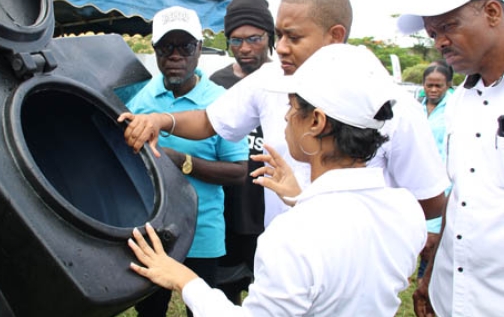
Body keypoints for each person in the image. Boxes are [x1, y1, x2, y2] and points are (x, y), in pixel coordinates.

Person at [127, 44, 427, 316]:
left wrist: (181, 277)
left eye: (292, 107)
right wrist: (301, 198)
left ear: (316, 122)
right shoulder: (406, 210)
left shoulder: (292, 234)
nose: (285, 117)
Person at [118, 0, 448, 224]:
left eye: (295, 36)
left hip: (349, 268)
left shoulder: (391, 106)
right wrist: (162, 120)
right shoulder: (270, 79)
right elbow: (210, 121)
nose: (283, 48)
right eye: (280, 35)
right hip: (281, 257)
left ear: (335, 36)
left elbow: (430, 201)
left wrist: (364, 232)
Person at [126, 5, 249, 317]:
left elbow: (238, 172)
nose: (176, 55)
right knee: (149, 312)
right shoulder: (138, 100)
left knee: (203, 310)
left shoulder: (222, 102)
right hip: (150, 232)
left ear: (198, 49)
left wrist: (181, 161)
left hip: (201, 233)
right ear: (154, 50)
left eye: (185, 46)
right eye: (167, 46)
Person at [397, 0, 504, 317]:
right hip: (452, 295)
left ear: (492, 12)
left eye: (449, 26)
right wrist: (430, 277)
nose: (439, 42)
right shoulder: (459, 102)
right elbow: (461, 195)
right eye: (432, 33)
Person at [209, 0, 275, 304]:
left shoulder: (287, 81)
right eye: (235, 41)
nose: (245, 49)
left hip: (274, 214)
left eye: (254, 38)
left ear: (270, 36)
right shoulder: (215, 84)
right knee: (223, 298)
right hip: (228, 214)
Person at [417, 63, 453, 285]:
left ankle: (426, 288)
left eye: (438, 86)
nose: (433, 90)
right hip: (417, 189)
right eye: (429, 85)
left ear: (448, 85)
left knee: (431, 249)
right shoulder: (417, 106)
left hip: (441, 190)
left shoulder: (453, 110)